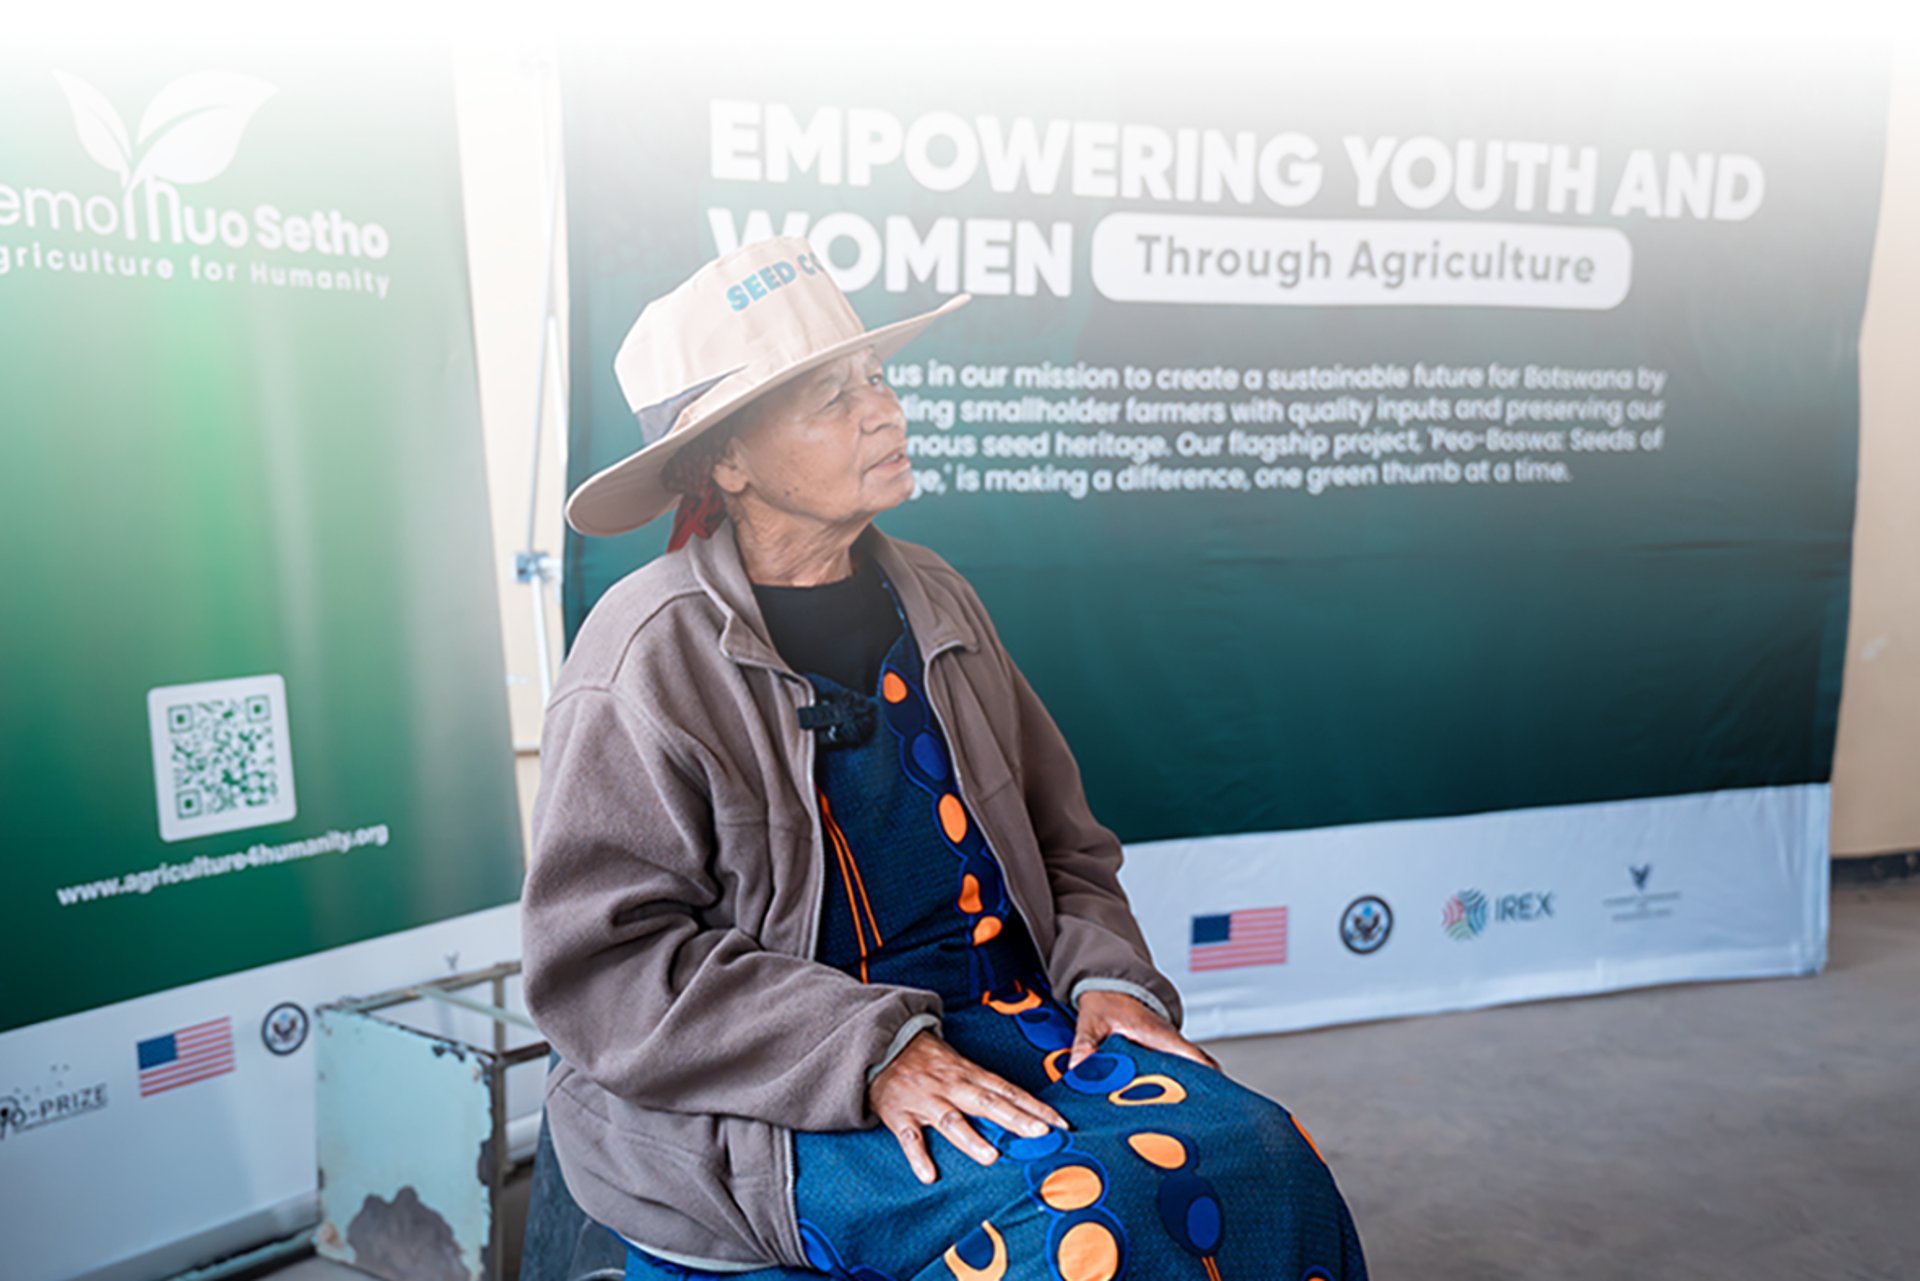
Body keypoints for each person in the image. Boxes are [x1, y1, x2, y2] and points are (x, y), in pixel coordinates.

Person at [521, 235, 1369, 1281]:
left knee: (1264, 1153)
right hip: (777, 1092)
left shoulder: (934, 596)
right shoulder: (646, 654)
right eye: (829, 400)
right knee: (1083, 1224)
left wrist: (1112, 982)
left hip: (1013, 1019)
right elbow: (603, 968)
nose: (882, 410)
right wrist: (866, 1054)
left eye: (874, 378)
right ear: (729, 462)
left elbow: (1067, 847)